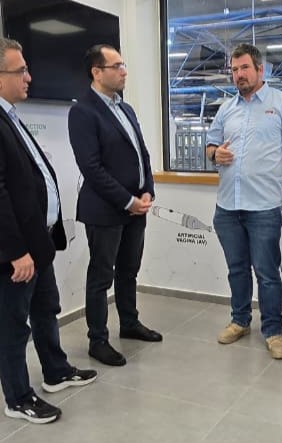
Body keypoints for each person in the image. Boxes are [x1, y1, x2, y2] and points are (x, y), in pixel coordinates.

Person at [0, 37, 97, 424]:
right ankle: (17, 398)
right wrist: (16, 252)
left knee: (46, 308)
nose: (29, 77)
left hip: (37, 240)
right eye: (22, 70)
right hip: (10, 250)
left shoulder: (6, 113)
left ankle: (56, 371)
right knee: (12, 324)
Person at [205, 43, 282, 359]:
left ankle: (273, 331)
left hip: (263, 207)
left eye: (244, 68)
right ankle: (240, 321)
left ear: (260, 69)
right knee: (236, 269)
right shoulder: (226, 108)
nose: (239, 75)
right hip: (227, 207)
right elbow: (210, 145)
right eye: (234, 70)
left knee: (266, 272)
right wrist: (215, 154)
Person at [68, 44, 161, 367]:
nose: (124, 71)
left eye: (123, 65)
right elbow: (91, 168)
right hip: (105, 210)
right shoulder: (83, 112)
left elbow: (142, 153)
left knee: (129, 270)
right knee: (101, 276)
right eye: (116, 66)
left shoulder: (126, 109)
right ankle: (98, 339)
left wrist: (147, 191)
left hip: (137, 207)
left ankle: (129, 323)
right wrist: (127, 200)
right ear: (97, 72)